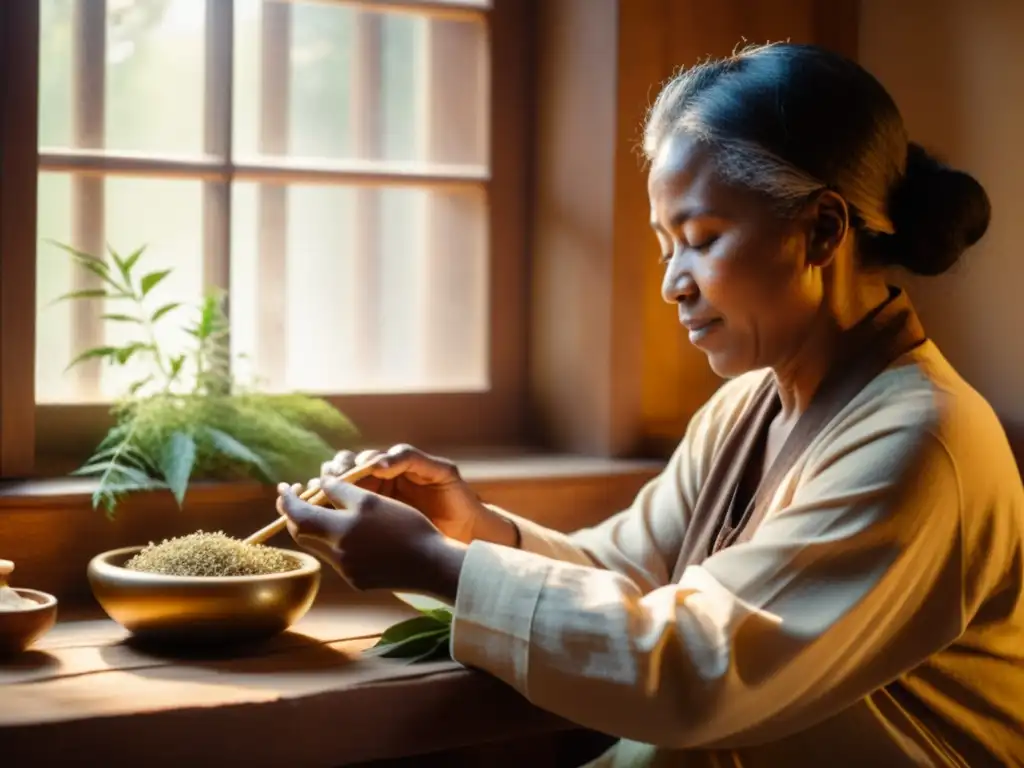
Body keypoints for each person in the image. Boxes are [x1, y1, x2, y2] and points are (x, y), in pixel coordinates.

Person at [276, 42, 1024, 767]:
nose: (673, 283)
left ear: (822, 229)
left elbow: (703, 667)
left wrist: (442, 568)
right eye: (667, 246)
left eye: (701, 239)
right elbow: (628, 576)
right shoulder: (745, 409)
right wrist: (468, 531)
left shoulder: (925, 442)